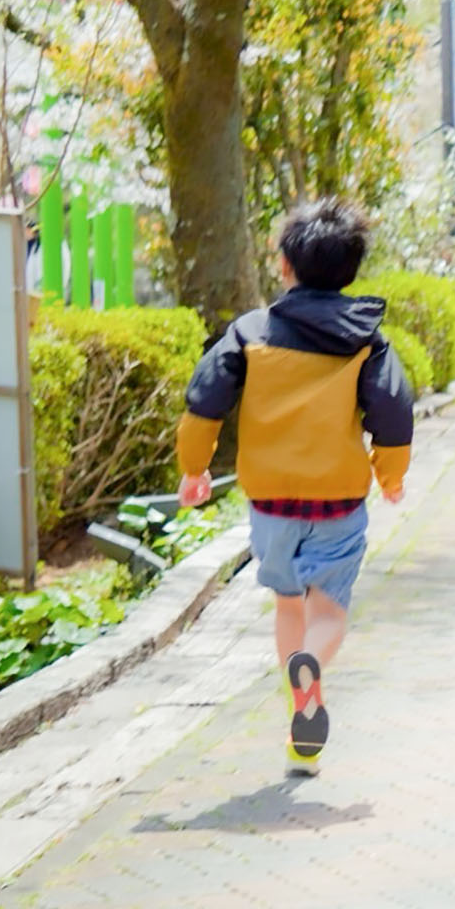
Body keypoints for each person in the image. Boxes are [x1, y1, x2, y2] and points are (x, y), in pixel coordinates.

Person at [176, 198, 414, 777]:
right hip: (337, 501)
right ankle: (311, 668)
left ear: (284, 266)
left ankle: (298, 726)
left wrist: (193, 468)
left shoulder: (250, 332)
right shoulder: (367, 341)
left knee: (288, 602)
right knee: (326, 610)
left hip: (271, 503)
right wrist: (391, 475)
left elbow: (205, 400)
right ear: (351, 271)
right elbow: (393, 410)